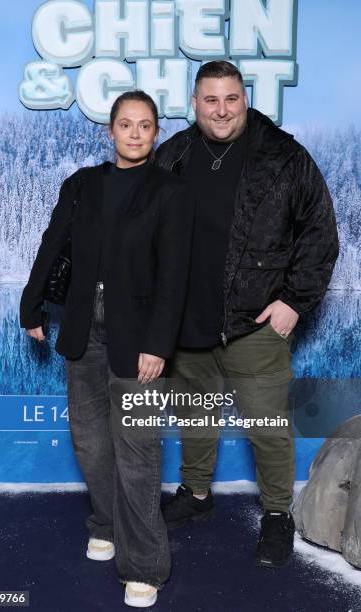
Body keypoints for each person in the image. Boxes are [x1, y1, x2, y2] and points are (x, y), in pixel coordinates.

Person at [154, 61, 339, 568]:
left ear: (245, 98)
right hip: (187, 323)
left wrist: (295, 302)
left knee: (267, 424)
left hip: (254, 322)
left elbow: (320, 233)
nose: (221, 109)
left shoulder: (284, 156)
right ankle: (196, 494)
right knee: (194, 416)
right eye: (210, 100)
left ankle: (278, 515)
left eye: (231, 98)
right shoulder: (172, 155)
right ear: (194, 104)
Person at [19, 90, 193, 607]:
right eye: (125, 124)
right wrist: (32, 306)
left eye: (145, 126)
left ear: (156, 133)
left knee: (137, 454)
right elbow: (53, 245)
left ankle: (144, 566)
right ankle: (106, 522)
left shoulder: (171, 193)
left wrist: (158, 344)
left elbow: (174, 277)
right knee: (92, 444)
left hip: (140, 340)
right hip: (81, 333)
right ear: (110, 131)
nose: (135, 134)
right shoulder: (82, 185)